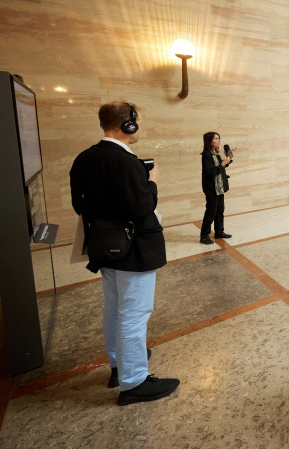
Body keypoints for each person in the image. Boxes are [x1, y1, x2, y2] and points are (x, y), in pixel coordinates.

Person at [69, 101, 180, 406]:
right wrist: (152, 181)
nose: (140, 127)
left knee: (115, 307)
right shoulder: (126, 162)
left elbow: (79, 205)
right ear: (128, 125)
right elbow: (143, 208)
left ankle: (119, 366)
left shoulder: (84, 158)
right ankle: (134, 383)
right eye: (139, 121)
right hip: (134, 249)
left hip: (105, 246)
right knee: (134, 314)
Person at [200, 132, 235, 245]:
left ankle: (219, 232)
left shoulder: (216, 153)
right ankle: (204, 235)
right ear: (210, 141)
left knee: (220, 210)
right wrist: (223, 164)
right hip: (212, 188)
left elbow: (221, 166)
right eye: (216, 139)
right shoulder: (206, 155)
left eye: (219, 138)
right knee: (211, 211)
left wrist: (229, 157)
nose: (219, 140)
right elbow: (211, 172)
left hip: (219, 187)